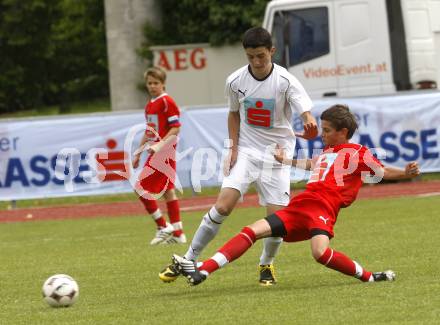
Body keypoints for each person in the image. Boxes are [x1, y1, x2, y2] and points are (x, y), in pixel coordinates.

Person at [172, 104, 420, 286]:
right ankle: (203, 270)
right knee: (250, 231)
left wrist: (406, 173)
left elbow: (382, 171)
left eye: (327, 130)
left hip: (322, 209)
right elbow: (312, 165)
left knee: (320, 254)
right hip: (300, 205)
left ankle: (368, 277)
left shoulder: (357, 152)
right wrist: (286, 160)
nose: (322, 135)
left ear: (343, 132)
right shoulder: (326, 153)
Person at [159, 27, 318, 285]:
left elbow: (305, 112)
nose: (256, 62)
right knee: (223, 205)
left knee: (277, 221)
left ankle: (266, 265)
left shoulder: (285, 81)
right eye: (251, 56)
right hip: (246, 151)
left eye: (261, 57)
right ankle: (189, 258)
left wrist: (309, 123)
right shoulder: (235, 80)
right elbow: (233, 114)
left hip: (276, 157)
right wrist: (232, 148)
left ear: (272, 52)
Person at [132, 66, 186, 245]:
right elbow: (149, 131)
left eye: (156, 83)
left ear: (163, 84)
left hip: (164, 152)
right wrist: (138, 153)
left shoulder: (166, 102)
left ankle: (163, 226)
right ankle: (178, 234)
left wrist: (160, 145)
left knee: (139, 187)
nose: (152, 86)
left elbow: (176, 127)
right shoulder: (149, 105)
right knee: (169, 193)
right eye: (149, 83)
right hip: (158, 152)